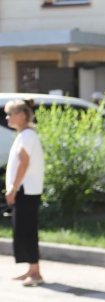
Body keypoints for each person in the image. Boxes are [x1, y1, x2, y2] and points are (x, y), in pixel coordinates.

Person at [4, 99, 45, 287]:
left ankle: (35, 273)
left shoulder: (28, 135)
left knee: (26, 230)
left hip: (26, 191)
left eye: (10, 114)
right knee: (21, 230)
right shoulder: (23, 135)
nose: (7, 118)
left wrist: (13, 188)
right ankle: (31, 268)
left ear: (21, 115)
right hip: (24, 191)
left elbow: (24, 162)